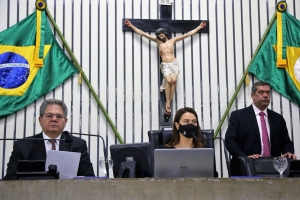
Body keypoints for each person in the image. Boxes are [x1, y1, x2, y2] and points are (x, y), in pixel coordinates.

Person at [125, 20, 206, 114]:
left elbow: (188, 34)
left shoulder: (173, 40)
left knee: (174, 81)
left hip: (174, 63)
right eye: (158, 35)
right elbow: (143, 34)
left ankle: (168, 102)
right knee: (168, 81)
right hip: (166, 65)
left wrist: (199, 27)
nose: (160, 36)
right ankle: (167, 101)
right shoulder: (158, 42)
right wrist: (131, 26)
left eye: (161, 34)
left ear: (165, 33)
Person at [4, 99, 95, 180]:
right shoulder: (23, 146)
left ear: (65, 121)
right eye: (49, 115)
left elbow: (89, 177)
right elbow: (10, 178)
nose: (54, 119)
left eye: (59, 116)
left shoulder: (78, 144)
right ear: (40, 120)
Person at [225, 81, 297, 176]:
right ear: (252, 95)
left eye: (268, 92)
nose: (265, 95)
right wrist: (244, 158)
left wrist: (288, 152)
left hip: (273, 169)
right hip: (245, 169)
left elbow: (286, 141)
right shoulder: (238, 116)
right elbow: (230, 141)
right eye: (261, 92)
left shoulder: (278, 118)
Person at [164, 107, 218, 177]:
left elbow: (213, 176)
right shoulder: (165, 150)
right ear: (177, 125)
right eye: (186, 121)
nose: (191, 125)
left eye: (194, 122)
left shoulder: (205, 150)